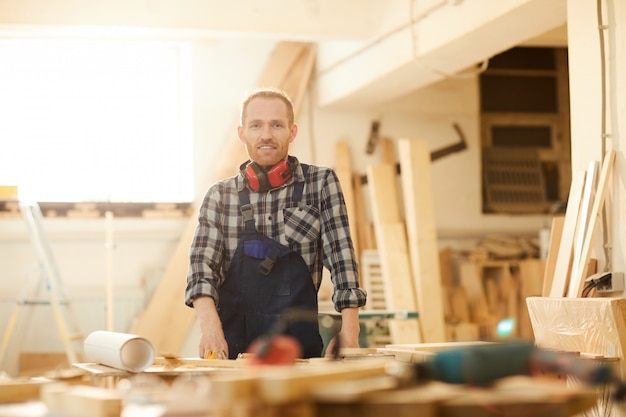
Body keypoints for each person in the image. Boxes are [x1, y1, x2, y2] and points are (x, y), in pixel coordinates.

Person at [185, 87, 367, 360]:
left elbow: (342, 258)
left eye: (276, 125)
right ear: (242, 133)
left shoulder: (320, 184)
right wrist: (210, 328)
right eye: (256, 125)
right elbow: (201, 269)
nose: (266, 135)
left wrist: (349, 331)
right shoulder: (220, 196)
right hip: (233, 348)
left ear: (292, 131)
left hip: (299, 349)